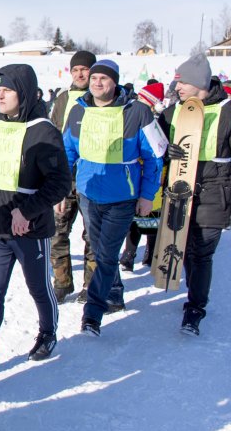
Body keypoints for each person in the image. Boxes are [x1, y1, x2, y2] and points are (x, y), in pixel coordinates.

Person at [0, 64, 71, 371]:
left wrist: (26, 210)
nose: (0, 97)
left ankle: (48, 332)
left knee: (38, 287)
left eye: (7, 91)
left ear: (24, 93)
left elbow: (59, 183)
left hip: (30, 228)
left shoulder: (44, 131)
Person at [62, 59, 166, 336]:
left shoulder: (137, 112)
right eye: (94, 78)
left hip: (122, 197)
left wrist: (147, 196)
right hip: (88, 194)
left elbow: (154, 156)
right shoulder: (77, 111)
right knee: (99, 250)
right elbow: (66, 153)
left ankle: (92, 315)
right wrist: (61, 188)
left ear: (115, 82)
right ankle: (115, 291)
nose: (97, 82)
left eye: (103, 79)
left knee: (106, 255)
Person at [159, 54, 231, 336]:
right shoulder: (172, 111)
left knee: (202, 253)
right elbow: (155, 146)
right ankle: (195, 288)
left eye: (181, 83)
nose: (176, 89)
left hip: (216, 190)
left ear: (198, 83)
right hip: (180, 190)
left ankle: (195, 308)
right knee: (185, 247)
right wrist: (167, 151)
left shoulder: (227, 110)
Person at [48, 51, 98, 304]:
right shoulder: (63, 98)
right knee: (57, 232)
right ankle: (62, 282)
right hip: (64, 178)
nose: (80, 74)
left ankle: (91, 285)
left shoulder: (101, 99)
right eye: (75, 69)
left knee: (92, 234)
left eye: (85, 69)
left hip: (91, 179)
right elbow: (53, 133)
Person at [120, 81, 166, 271]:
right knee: (134, 215)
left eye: (143, 99)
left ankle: (150, 252)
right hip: (133, 171)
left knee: (150, 212)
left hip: (152, 171)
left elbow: (159, 149)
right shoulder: (129, 114)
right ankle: (129, 253)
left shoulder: (156, 121)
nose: (139, 102)